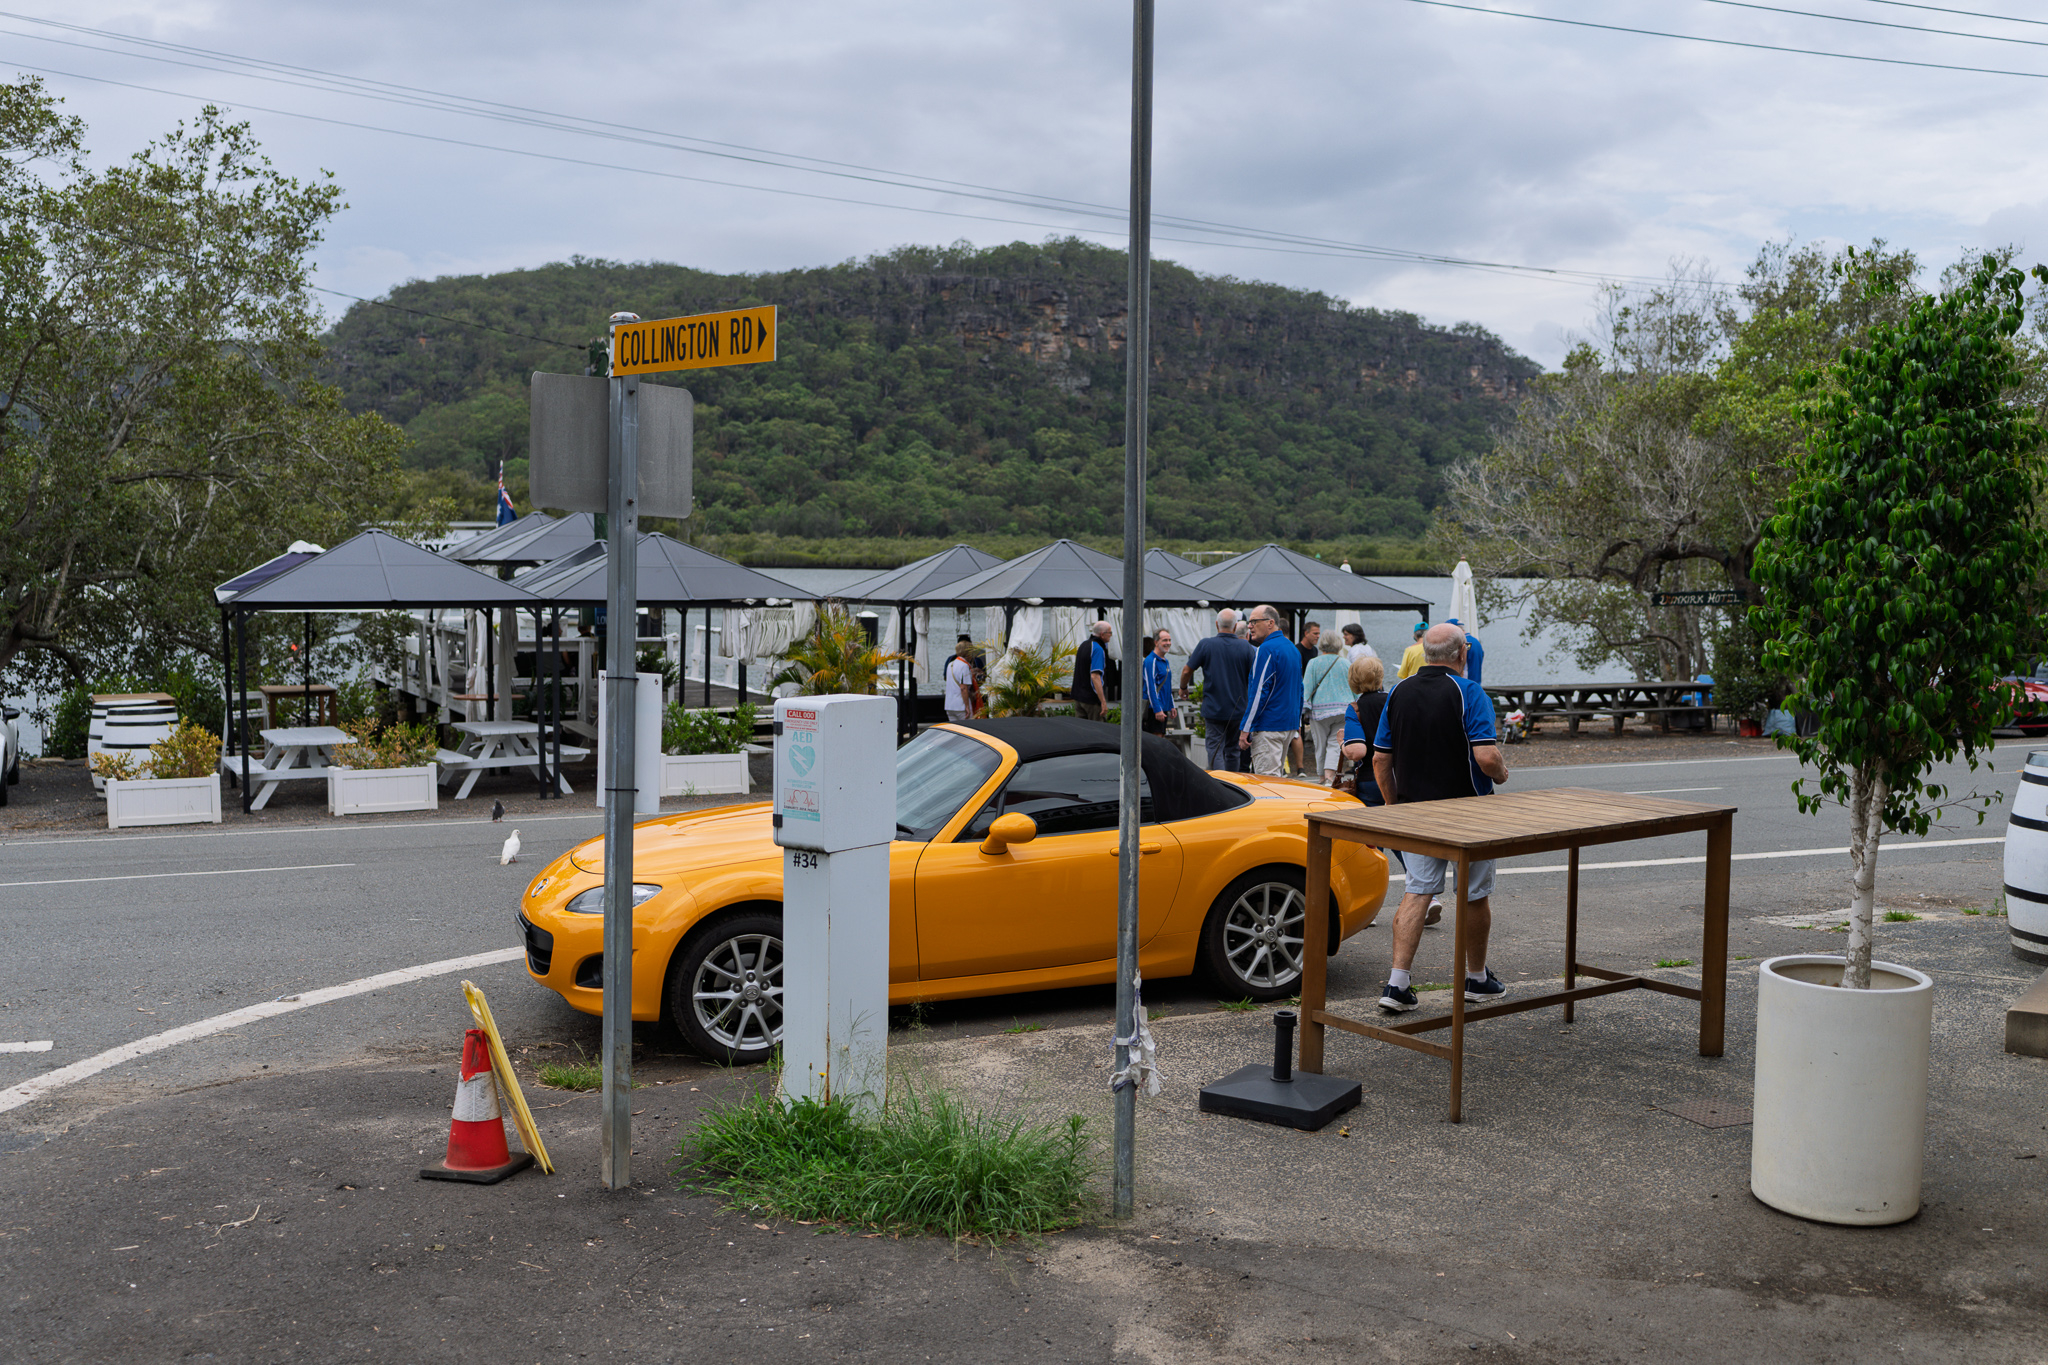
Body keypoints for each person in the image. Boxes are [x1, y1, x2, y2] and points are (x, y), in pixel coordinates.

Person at [1369, 624, 1511, 1013]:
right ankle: (1476, 978)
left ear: (1425, 653)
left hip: (1417, 810)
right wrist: (1501, 774)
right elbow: (1486, 756)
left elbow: (1380, 758)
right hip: (1469, 811)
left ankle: (1397, 984)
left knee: (1417, 891)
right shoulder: (1470, 692)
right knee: (1474, 894)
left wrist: (1393, 804)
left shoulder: (1398, 692)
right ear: (1462, 653)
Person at [1237, 604, 1304, 777]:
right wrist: (1296, 722)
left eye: (1254, 621)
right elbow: (1299, 688)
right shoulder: (1292, 648)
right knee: (1276, 781)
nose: (1249, 626)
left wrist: (1245, 728)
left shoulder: (1266, 649)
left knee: (1266, 783)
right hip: (1288, 724)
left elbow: (1259, 692)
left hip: (1269, 726)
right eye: (1249, 622)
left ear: (1270, 623)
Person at [1183, 609, 1254, 771]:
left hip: (1213, 709)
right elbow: (1255, 677)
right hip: (1238, 709)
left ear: (1216, 624)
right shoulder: (1245, 647)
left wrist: (1183, 688)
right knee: (1233, 751)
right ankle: (1232, 783)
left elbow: (1187, 671)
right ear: (1235, 626)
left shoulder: (1206, 644)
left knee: (1215, 750)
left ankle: (1219, 783)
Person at [1303, 636, 1353, 785]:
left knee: (1320, 745)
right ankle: (1329, 777)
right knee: (1334, 744)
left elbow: (1307, 687)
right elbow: (1354, 688)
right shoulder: (1346, 663)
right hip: (1343, 709)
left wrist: (1305, 708)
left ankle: (1321, 777)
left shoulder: (1313, 663)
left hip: (1319, 710)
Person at [1071, 620, 1113, 721]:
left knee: (1081, 729)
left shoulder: (1083, 645)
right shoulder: (1098, 649)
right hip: (1091, 700)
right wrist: (1102, 701)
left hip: (1079, 698)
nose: (1111, 635)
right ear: (1102, 634)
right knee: (1097, 728)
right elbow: (1095, 676)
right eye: (1110, 633)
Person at [1142, 628, 1174, 736]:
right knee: (1156, 739)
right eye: (1164, 640)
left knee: (1161, 738)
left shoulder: (1165, 660)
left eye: (1169, 640)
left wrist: (1172, 705)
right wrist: (1157, 709)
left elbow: (1167, 685)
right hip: (1154, 708)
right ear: (1156, 642)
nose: (1168, 643)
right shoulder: (1151, 661)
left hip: (1163, 707)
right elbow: (1150, 686)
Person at [943, 641, 976, 724]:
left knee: (955, 729)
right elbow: (963, 688)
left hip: (949, 705)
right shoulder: (964, 666)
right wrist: (967, 706)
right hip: (961, 706)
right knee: (968, 728)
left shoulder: (950, 664)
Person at [1446, 618, 1485, 687]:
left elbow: (1462, 657)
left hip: (1467, 682)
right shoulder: (1476, 641)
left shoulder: (1464, 642)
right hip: (1476, 682)